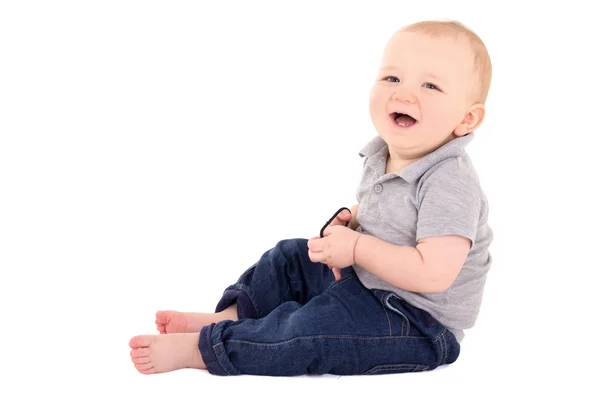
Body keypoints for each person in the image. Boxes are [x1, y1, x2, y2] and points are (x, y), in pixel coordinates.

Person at [129, 19, 494, 377]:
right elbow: (391, 218)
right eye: (392, 78)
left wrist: (356, 249)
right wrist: (352, 221)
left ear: (466, 119)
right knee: (290, 257)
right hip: (366, 281)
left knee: (312, 329)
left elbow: (433, 272)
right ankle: (232, 317)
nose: (403, 94)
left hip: (415, 322)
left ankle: (207, 349)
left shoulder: (450, 181)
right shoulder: (384, 153)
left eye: (430, 85)